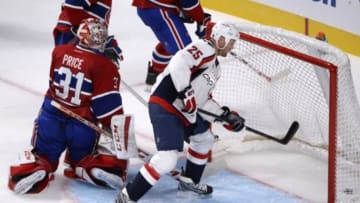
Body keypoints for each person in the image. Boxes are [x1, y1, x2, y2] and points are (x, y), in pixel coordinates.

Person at [115, 21, 245, 202]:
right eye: (231, 42)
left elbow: (202, 100)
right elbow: (179, 61)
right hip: (166, 104)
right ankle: (128, 196)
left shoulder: (215, 68)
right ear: (220, 38)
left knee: (204, 138)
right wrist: (185, 91)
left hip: (183, 111)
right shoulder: (204, 48)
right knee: (167, 159)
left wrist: (225, 116)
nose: (232, 47)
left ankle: (189, 182)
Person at [8, 18, 135, 194]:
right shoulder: (104, 66)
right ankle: (87, 168)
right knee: (83, 157)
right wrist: (118, 134)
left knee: (43, 155)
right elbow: (107, 109)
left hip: (51, 116)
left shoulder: (59, 51)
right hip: (81, 126)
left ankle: (37, 168)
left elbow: (53, 83)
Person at [131, 0, 212, 90]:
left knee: (172, 42)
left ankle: (154, 77)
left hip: (150, 6)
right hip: (159, 8)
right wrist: (201, 19)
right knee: (186, 52)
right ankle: (192, 89)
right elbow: (189, 2)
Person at [53, 0, 124, 66]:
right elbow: (72, 6)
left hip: (83, 35)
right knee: (73, 68)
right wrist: (87, 33)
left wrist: (101, 39)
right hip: (72, 34)